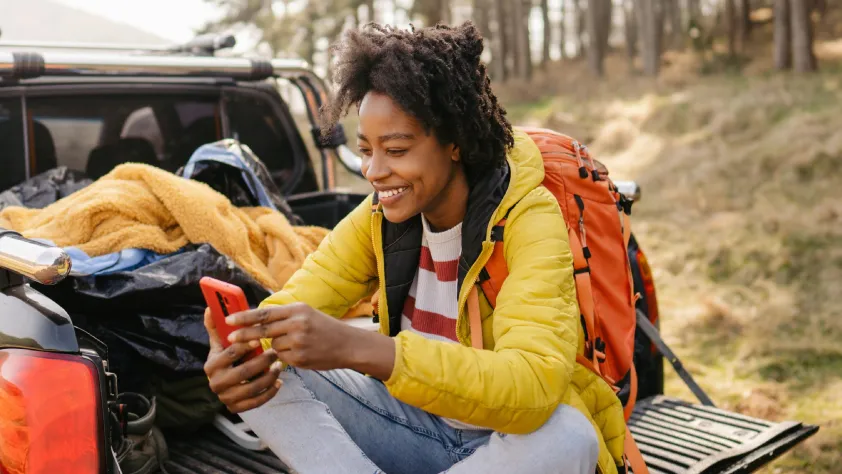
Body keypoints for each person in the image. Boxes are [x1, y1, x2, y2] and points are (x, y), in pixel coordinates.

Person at [203, 21, 625, 474]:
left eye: (397, 150)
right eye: (366, 149)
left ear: (455, 143)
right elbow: (297, 302)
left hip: (505, 446)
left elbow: (532, 386)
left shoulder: (528, 216)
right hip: (410, 428)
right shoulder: (378, 217)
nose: (374, 171)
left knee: (568, 436)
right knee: (267, 370)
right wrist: (238, 352)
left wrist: (362, 349)